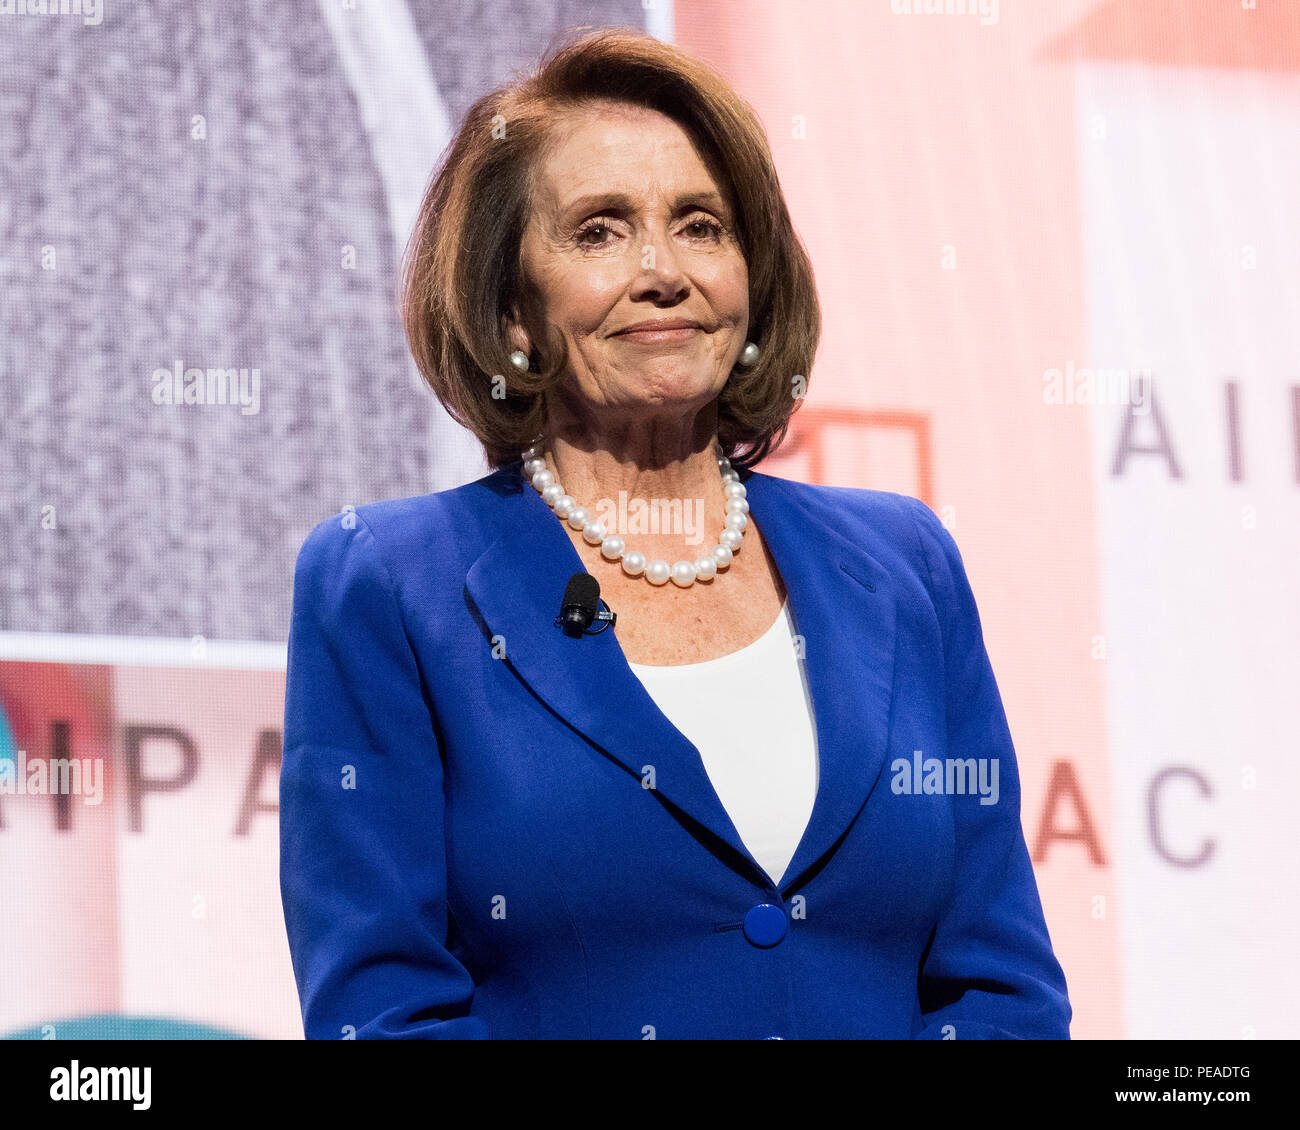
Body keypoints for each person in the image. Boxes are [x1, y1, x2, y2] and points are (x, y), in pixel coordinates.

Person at [279, 27, 1071, 1040]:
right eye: (600, 230)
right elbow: (383, 1014)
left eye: (700, 224)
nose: (663, 271)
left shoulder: (903, 563)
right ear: (513, 307)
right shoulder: (387, 584)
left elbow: (1001, 987)